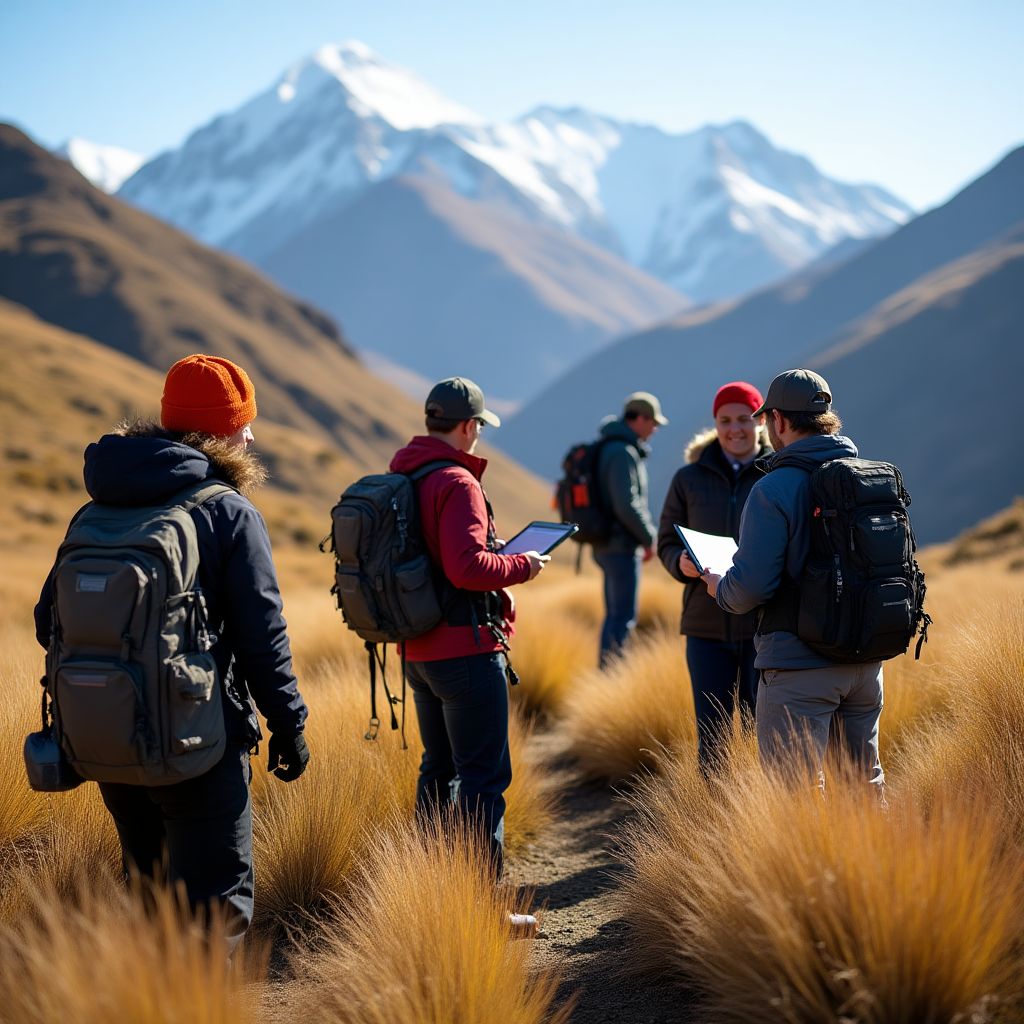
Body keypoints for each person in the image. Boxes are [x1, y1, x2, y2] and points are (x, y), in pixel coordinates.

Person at [34, 354, 309, 945]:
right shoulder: (227, 510)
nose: (252, 435)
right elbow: (264, 636)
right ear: (220, 432)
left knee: (151, 897)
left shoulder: (97, 505)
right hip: (197, 740)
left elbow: (46, 621)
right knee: (216, 907)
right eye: (243, 423)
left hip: (107, 739)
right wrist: (288, 725)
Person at [388, 376, 548, 877]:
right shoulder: (457, 482)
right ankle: (482, 903)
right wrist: (524, 565)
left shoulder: (405, 477)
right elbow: (467, 569)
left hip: (417, 651)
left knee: (438, 769)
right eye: (478, 424)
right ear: (466, 425)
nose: (478, 433)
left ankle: (431, 888)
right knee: (482, 777)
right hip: (466, 651)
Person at [702, 368, 884, 790]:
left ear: (778, 421)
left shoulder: (773, 488)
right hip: (866, 661)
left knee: (795, 795)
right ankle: (870, 859)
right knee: (862, 785)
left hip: (798, 668)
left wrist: (720, 588)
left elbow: (750, 588)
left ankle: (809, 862)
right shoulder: (865, 477)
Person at [657, 381, 772, 774]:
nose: (735, 429)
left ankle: (763, 823)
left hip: (764, 627)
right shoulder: (688, 479)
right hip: (705, 630)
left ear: (760, 422)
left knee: (766, 735)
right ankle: (712, 822)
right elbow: (667, 541)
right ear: (715, 423)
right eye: (726, 420)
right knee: (714, 739)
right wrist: (680, 564)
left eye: (744, 419)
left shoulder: (779, 474)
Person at [591, 392, 666, 668]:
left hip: (605, 543)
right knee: (622, 617)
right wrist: (649, 537)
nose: (655, 429)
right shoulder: (623, 452)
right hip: (620, 546)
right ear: (640, 418)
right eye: (653, 422)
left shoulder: (609, 446)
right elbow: (626, 503)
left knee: (614, 615)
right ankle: (612, 676)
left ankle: (606, 672)